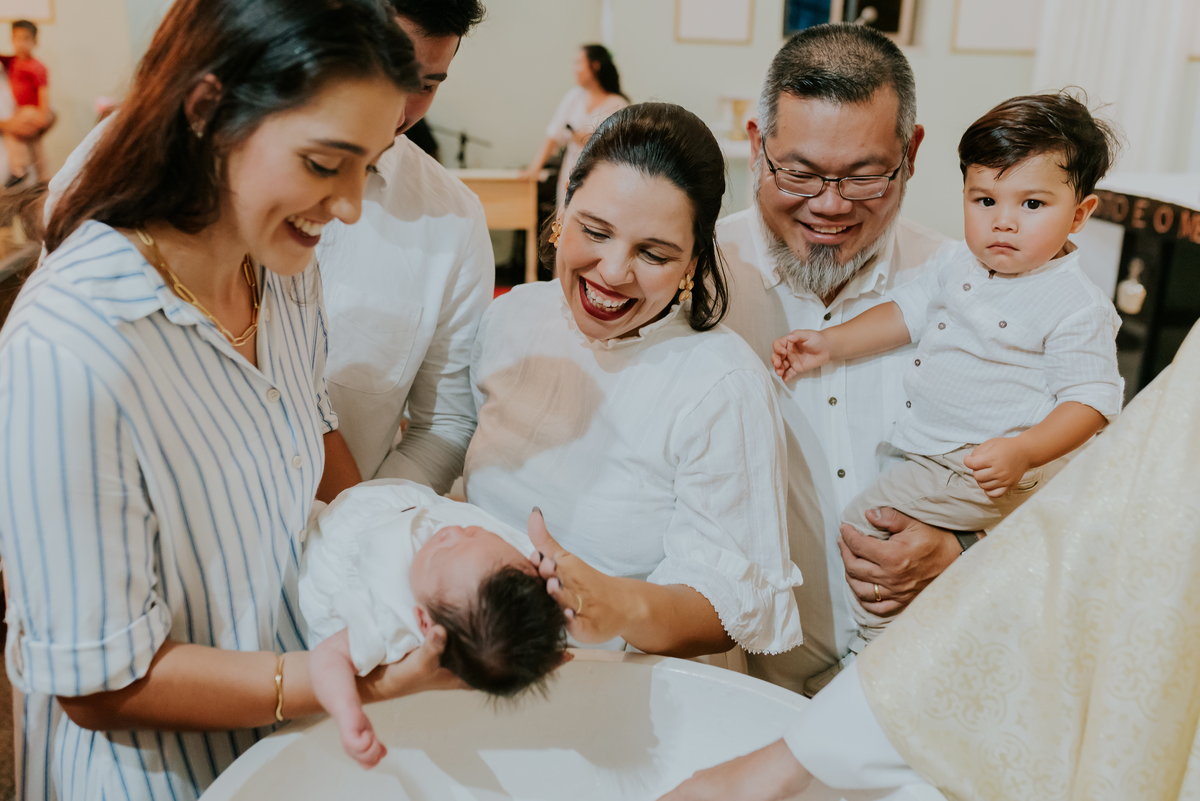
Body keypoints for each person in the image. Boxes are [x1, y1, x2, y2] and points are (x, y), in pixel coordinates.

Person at [0, 3, 455, 800]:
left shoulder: (283, 270)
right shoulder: (71, 344)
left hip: (283, 756)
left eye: (371, 163)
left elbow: (309, 446)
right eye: (325, 163)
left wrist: (440, 556)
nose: (350, 206)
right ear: (208, 110)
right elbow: (99, 679)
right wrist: (324, 679)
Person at [660, 318, 1200, 801]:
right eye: (982, 197)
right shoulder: (722, 288)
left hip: (906, 723)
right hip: (748, 699)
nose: (830, 203)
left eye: (863, 194)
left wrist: (963, 550)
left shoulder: (977, 285)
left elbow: (1083, 506)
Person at [44, 0, 495, 498]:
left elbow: (315, 418)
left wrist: (352, 541)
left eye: (427, 85)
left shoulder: (296, 277)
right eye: (323, 164)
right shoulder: (80, 313)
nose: (399, 108)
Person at [774, 93, 1123, 642]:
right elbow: (905, 314)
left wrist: (1024, 451)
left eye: (1032, 205)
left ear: (1080, 214)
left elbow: (1093, 401)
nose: (1003, 222)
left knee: (871, 519)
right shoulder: (956, 262)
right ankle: (928, 641)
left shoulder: (1075, 304)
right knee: (909, 538)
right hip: (933, 451)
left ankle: (870, 650)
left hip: (982, 464)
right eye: (985, 200)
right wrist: (830, 343)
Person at [465, 103, 803, 660]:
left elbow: (732, 604)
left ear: (692, 262)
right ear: (563, 210)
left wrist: (616, 605)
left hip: (627, 690)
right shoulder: (513, 318)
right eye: (595, 231)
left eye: (653, 253)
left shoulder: (721, 383)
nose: (614, 272)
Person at [718, 23, 960, 695]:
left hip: (915, 680)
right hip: (738, 680)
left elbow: (1047, 481)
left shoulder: (966, 289)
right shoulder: (698, 279)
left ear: (910, 152)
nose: (828, 204)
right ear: (754, 145)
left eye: (863, 176)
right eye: (798, 172)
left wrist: (960, 547)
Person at [302, 480, 566, 769]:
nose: (451, 532)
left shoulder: (393, 620)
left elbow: (329, 659)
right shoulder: (504, 568)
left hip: (322, 530)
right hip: (396, 503)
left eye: (443, 552)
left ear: (424, 623)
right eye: (473, 532)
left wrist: (346, 710)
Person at [522, 44, 629, 211]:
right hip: (570, 175)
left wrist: (589, 138)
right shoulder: (573, 98)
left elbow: (621, 148)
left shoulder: (618, 104)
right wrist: (534, 168)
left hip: (602, 178)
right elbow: (552, 137)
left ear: (595, 66)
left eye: (579, 63)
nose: (575, 69)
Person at [0, 20, 53, 186]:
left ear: (34, 42)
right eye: (17, 39)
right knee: (31, 143)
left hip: (30, 110)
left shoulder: (37, 67)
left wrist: (44, 117)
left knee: (25, 137)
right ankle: (40, 176)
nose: (21, 44)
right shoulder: (11, 62)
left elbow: (43, 93)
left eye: (26, 39)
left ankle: (21, 170)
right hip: (19, 115)